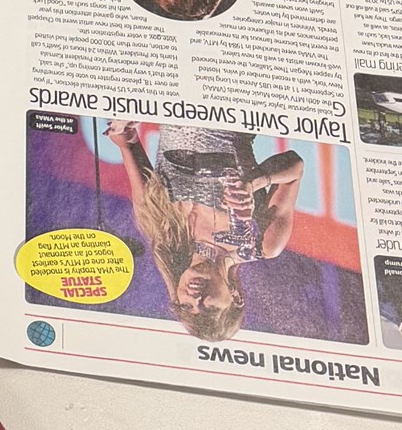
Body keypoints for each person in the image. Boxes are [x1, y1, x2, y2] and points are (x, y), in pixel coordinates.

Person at [107, 122, 303, 341]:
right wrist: (253, 183)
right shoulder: (263, 243)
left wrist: (123, 135)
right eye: (209, 308)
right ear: (236, 297)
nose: (196, 298)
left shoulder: (163, 233)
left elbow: (130, 145)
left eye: (186, 305)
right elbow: (295, 165)